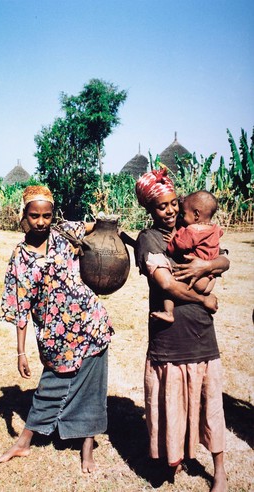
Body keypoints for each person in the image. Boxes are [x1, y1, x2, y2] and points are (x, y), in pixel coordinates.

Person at [0, 185, 114, 472]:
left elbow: (97, 227)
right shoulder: (20, 259)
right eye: (34, 215)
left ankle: (87, 445)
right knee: (51, 385)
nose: (41, 221)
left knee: (92, 387)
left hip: (90, 322)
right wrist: (20, 352)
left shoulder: (64, 233)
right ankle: (24, 441)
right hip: (55, 335)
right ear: (24, 214)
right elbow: (19, 307)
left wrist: (107, 226)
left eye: (47, 215)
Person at [135, 168, 229, 491]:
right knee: (171, 404)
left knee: (209, 403)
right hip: (169, 340)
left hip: (202, 336)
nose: (172, 210)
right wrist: (205, 300)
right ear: (150, 210)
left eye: (175, 203)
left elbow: (224, 259)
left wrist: (206, 265)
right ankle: (172, 462)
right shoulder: (148, 239)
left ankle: (219, 471)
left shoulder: (194, 229)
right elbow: (167, 284)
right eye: (163, 206)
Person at [147, 190, 223, 322]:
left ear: (196, 214)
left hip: (198, 279)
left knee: (171, 283)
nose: (179, 214)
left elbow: (177, 246)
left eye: (184, 213)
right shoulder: (214, 229)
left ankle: (168, 312)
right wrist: (210, 266)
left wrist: (173, 240)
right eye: (163, 207)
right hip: (210, 279)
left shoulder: (192, 230)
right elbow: (223, 261)